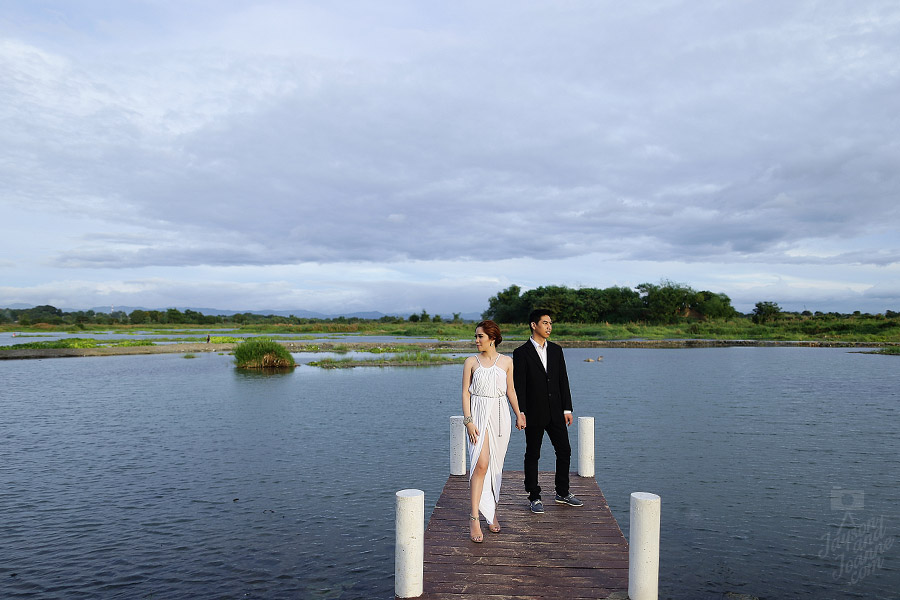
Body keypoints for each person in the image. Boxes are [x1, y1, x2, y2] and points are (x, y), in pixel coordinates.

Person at [513, 309, 583, 513]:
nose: (549, 327)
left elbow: (563, 380)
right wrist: (521, 412)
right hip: (533, 413)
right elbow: (520, 385)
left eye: (550, 323)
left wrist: (567, 408)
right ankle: (534, 496)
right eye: (545, 323)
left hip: (556, 412)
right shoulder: (521, 352)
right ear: (533, 325)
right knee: (533, 454)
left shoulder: (556, 350)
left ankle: (562, 493)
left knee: (564, 450)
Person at [462, 320, 526, 543]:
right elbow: (465, 394)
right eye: (476, 336)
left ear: (492, 338)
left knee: (495, 466)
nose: (476, 340)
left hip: (500, 415)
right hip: (478, 414)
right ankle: (474, 517)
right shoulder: (471, 362)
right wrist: (468, 421)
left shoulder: (507, 362)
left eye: (480, 336)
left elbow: (511, 390)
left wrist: (519, 413)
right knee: (480, 464)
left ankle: (491, 513)